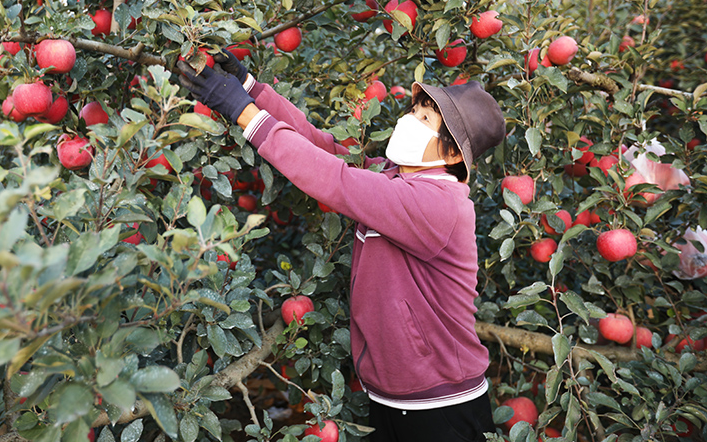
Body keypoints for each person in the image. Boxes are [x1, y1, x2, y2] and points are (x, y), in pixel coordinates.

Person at [178, 50, 506, 442]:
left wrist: (245, 115)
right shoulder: (395, 178)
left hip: (442, 406)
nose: (407, 119)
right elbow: (325, 150)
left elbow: (335, 179)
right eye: (414, 110)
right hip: (393, 395)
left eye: (423, 119)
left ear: (452, 152)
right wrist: (253, 90)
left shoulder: (438, 204)